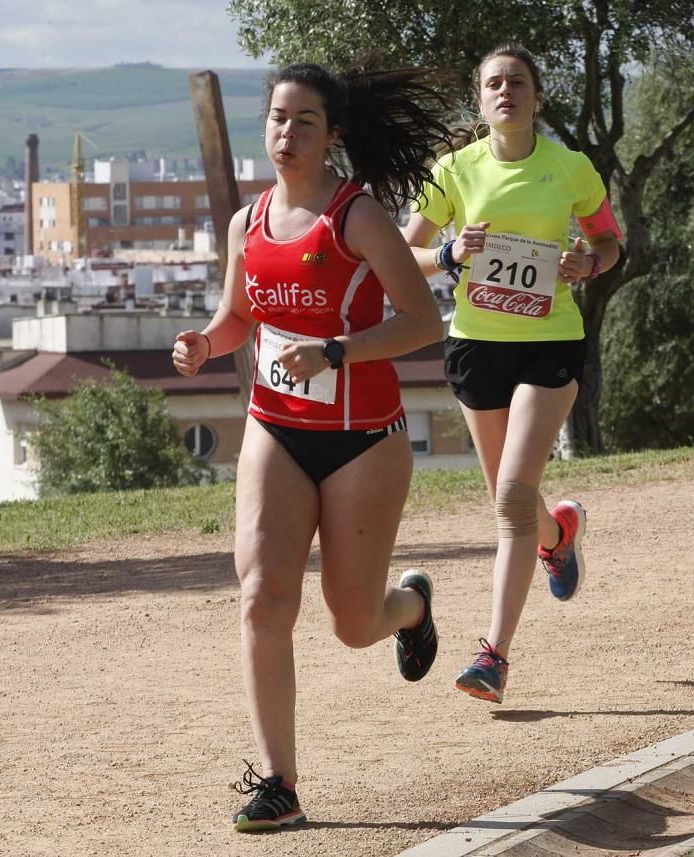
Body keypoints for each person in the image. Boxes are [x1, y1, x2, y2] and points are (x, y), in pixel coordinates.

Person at [172, 61, 454, 830]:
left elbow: (423, 319)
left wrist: (338, 350)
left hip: (363, 439)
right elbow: (238, 317)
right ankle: (280, 783)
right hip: (276, 429)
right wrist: (204, 340)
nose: (286, 132)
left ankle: (411, 607)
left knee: (352, 620)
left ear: (332, 134)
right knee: (263, 596)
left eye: (304, 120)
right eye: (277, 117)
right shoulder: (248, 222)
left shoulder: (355, 217)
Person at [402, 45, 623, 704]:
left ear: (537, 95)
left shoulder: (571, 168)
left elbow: (609, 241)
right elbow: (406, 253)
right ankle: (558, 536)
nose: (506, 92)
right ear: (480, 100)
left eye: (518, 82)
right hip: (477, 346)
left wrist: (590, 264)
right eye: (494, 83)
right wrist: (448, 250)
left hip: (550, 341)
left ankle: (493, 655)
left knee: (509, 497)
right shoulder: (453, 172)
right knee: (512, 495)